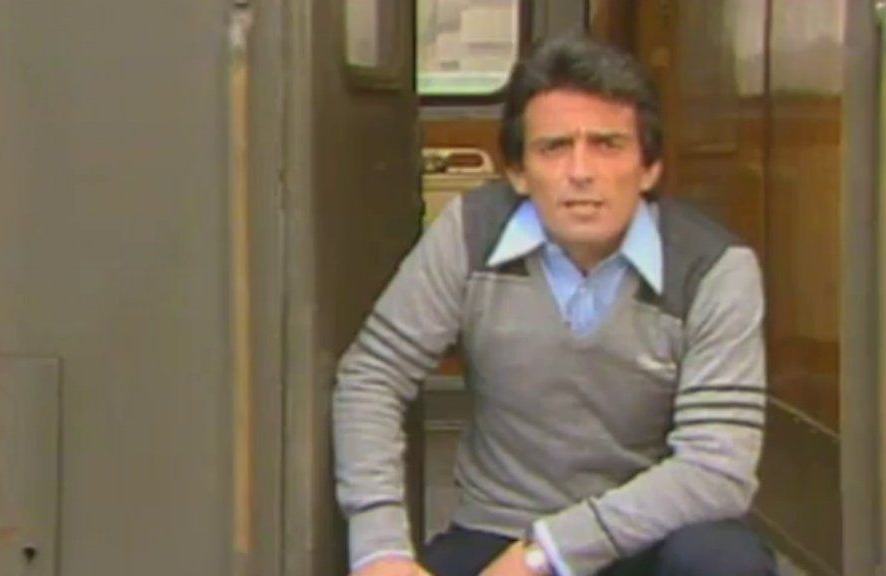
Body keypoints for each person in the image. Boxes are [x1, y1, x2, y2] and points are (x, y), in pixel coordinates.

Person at [332, 33, 777, 576]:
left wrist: (548, 552)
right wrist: (380, 546)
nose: (581, 171)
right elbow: (373, 376)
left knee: (723, 562)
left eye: (607, 145)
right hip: (500, 530)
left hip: (649, 536)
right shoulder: (470, 232)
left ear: (649, 168)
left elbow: (717, 468)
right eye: (554, 147)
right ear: (518, 172)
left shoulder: (715, 267)